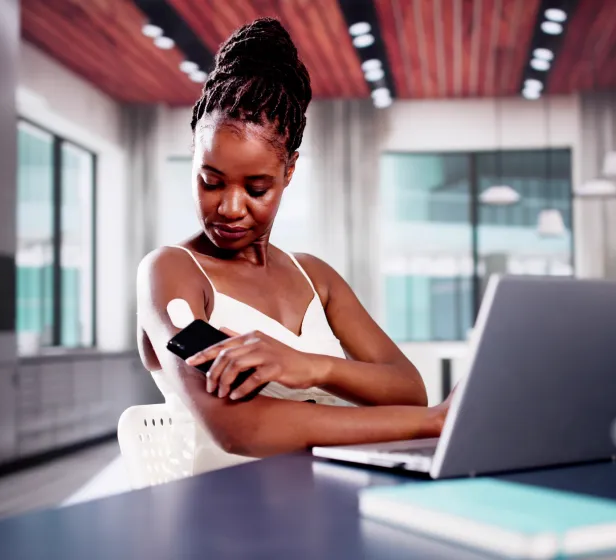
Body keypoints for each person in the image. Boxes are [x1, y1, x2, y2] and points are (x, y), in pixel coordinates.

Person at [137, 18, 451, 475]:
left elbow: (407, 388)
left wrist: (311, 367)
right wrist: (429, 424)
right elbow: (239, 428)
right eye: (211, 181)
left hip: (332, 493)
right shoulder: (173, 272)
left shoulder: (315, 277)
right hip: (224, 506)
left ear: (289, 172)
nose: (229, 208)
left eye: (257, 188)